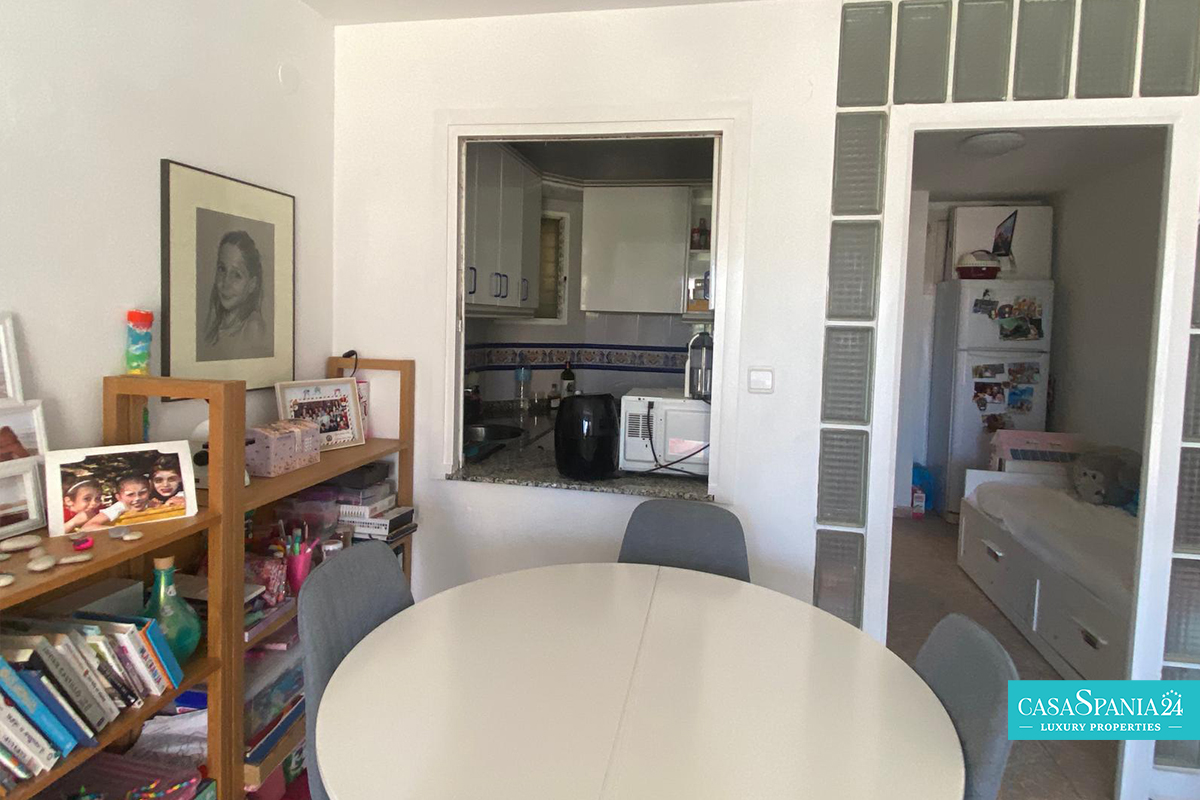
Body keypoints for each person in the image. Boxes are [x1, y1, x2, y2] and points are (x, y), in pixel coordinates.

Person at [202, 230, 271, 361]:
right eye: (222, 269)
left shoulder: (252, 327)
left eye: (237, 275)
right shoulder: (217, 323)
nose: (225, 282)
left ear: (252, 284)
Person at [84, 474, 153, 529]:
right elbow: (88, 527)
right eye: (130, 494)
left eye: (142, 493)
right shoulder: (118, 507)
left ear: (149, 491)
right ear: (119, 497)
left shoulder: (150, 503)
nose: (137, 498)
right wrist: (118, 530)